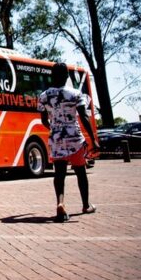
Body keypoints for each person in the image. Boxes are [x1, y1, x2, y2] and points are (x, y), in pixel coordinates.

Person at [38, 62, 100, 222]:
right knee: (80, 172)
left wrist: (53, 128)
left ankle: (60, 202)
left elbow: (44, 119)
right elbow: (84, 117)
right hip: (74, 138)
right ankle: (86, 204)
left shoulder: (44, 96)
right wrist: (93, 138)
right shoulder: (76, 94)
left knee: (59, 174)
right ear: (66, 76)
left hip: (56, 138)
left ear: (52, 76)